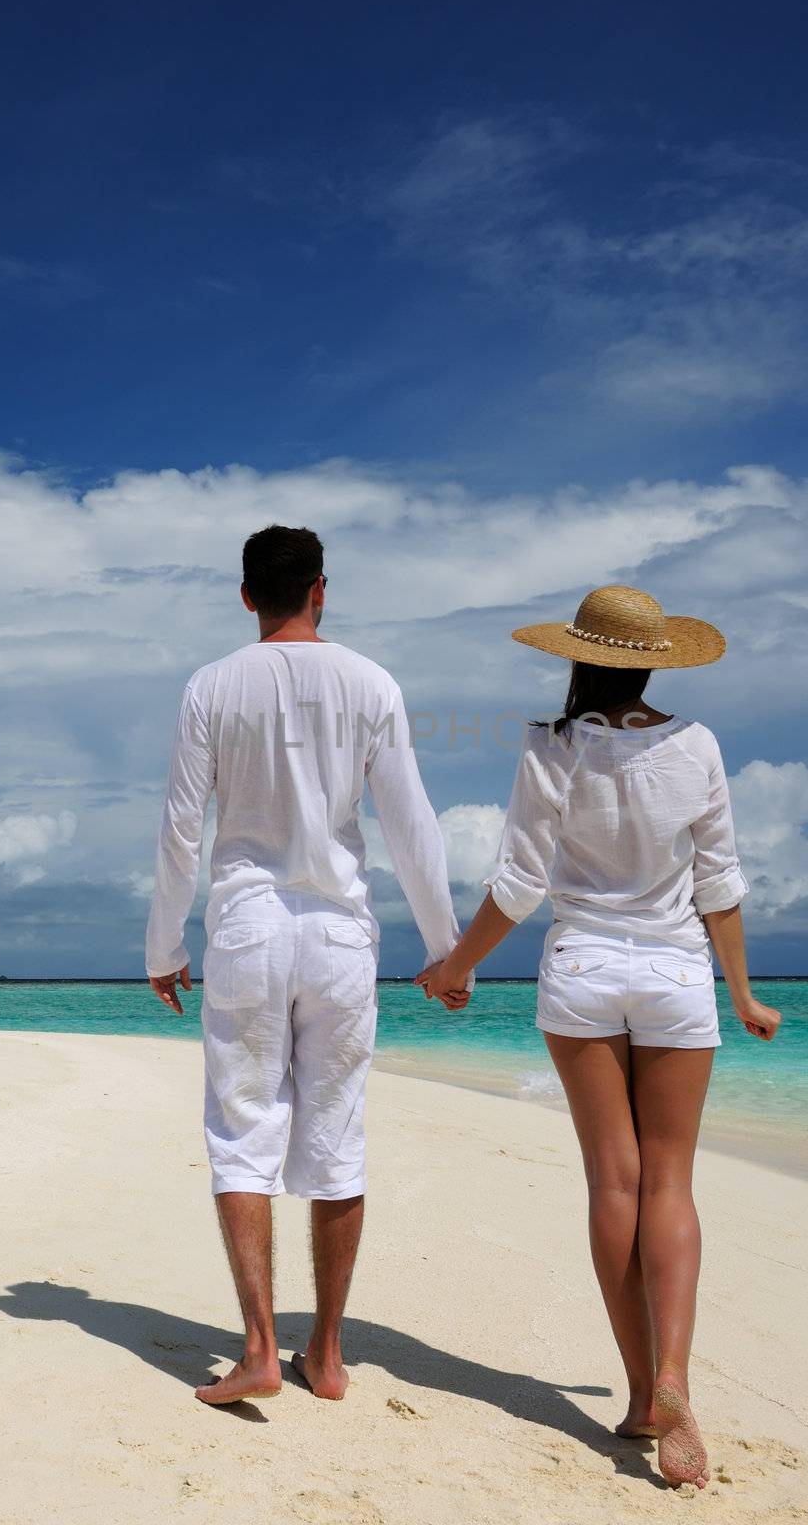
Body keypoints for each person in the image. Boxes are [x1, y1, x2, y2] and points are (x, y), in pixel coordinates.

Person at [417, 584, 781, 1489]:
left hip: (581, 972)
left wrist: (457, 967)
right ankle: (675, 1381)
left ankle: (635, 1389)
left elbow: (519, 885)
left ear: (577, 657)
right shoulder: (695, 744)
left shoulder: (550, 747)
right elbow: (719, 883)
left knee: (613, 1181)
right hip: (674, 977)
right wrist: (742, 992)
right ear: (656, 659)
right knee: (672, 1183)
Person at [146, 525, 466, 1407]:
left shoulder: (212, 685)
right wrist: (446, 949)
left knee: (242, 1130)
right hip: (338, 936)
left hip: (247, 928)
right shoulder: (371, 683)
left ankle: (257, 1348)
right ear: (322, 588)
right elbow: (410, 824)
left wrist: (163, 946)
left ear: (247, 595)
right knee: (337, 1137)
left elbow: (181, 828)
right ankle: (323, 1355)